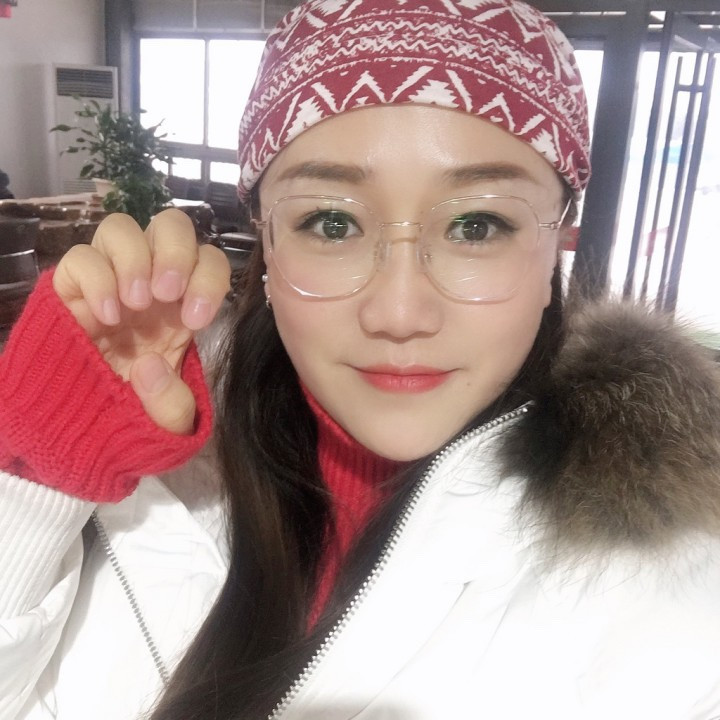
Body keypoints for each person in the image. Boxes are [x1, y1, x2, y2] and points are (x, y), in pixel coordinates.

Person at [1, 1, 720, 718]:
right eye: (332, 221)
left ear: (557, 245)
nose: (399, 313)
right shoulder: (143, 486)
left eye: (477, 226)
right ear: (267, 244)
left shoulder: (678, 610)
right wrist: (40, 473)